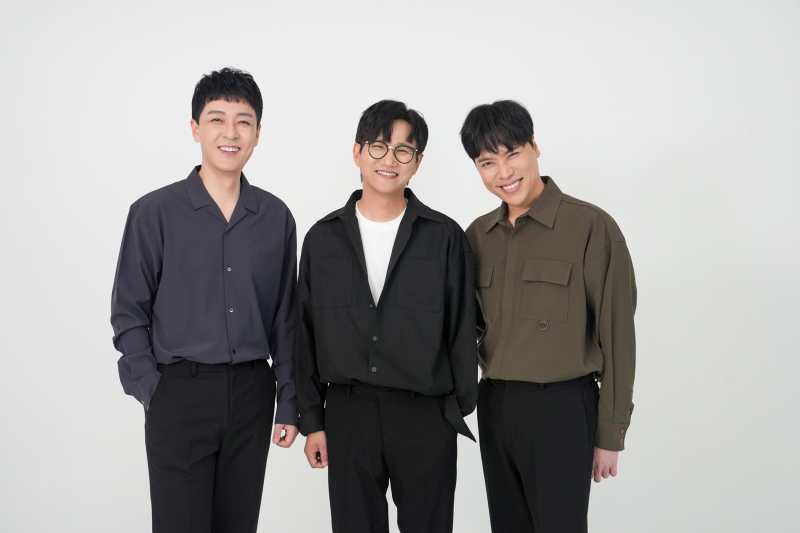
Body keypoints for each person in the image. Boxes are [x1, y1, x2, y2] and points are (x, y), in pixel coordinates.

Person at [110, 67, 299, 533]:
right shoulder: (154, 212)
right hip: (179, 394)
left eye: (243, 121)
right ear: (195, 128)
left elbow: (286, 319)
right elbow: (128, 310)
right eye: (217, 119)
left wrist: (288, 400)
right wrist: (152, 390)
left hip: (252, 394)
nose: (230, 133)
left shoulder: (276, 217)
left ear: (257, 133)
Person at [295, 100, 478, 533]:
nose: (389, 160)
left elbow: (462, 329)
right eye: (378, 147)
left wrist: (452, 412)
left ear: (418, 162)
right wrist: (313, 421)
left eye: (403, 150)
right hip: (348, 414)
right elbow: (304, 334)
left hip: (425, 415)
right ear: (357, 152)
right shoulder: (322, 238)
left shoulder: (444, 237)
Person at [461, 100, 637, 533]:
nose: (504, 172)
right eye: (487, 162)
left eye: (512, 153)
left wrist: (610, 431)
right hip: (496, 407)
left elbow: (617, 335)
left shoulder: (590, 226)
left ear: (535, 146)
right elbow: (464, 330)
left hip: (562, 408)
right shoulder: (477, 236)